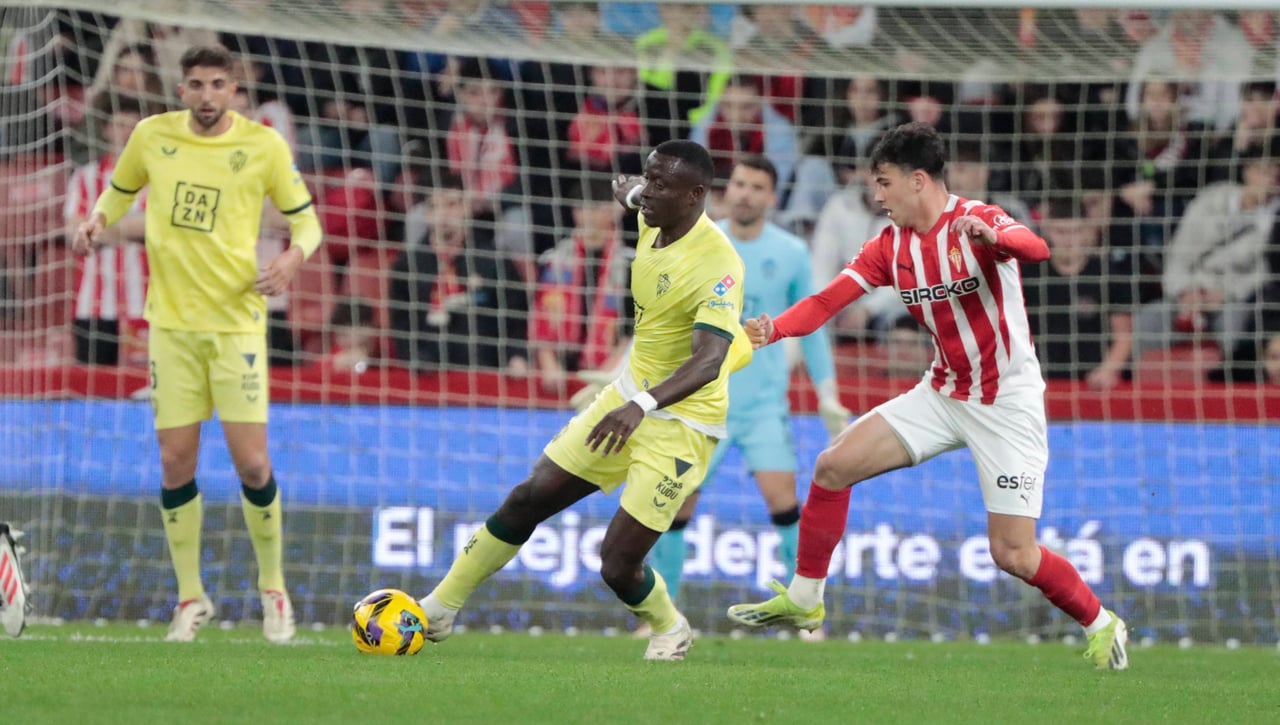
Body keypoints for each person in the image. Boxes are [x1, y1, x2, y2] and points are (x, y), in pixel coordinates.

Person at [726, 122, 1130, 671]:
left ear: (919, 180)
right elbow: (826, 301)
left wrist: (997, 240)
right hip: (942, 392)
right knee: (831, 466)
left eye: (885, 182)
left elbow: (1035, 247)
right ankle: (804, 597)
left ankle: (1102, 622)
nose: (877, 195)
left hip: (1006, 403)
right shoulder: (888, 247)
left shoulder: (978, 218)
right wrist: (774, 329)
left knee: (1013, 553)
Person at [416, 139, 752, 661]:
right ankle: (438, 608)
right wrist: (632, 189)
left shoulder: (717, 264)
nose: (649, 192)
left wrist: (641, 404)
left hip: (679, 422)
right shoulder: (653, 213)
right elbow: (633, 193)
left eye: (661, 184)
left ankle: (670, 626)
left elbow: (709, 362)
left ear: (696, 195)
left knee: (617, 564)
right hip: (624, 397)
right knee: (529, 497)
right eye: (649, 177)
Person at [71, 45, 323, 643]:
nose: (207, 95)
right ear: (180, 90)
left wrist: (291, 255)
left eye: (218, 84)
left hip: (235, 327)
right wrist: (98, 220)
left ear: (235, 91)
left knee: (252, 462)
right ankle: (190, 598)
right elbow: (118, 191)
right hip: (171, 328)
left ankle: (273, 589)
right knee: (175, 460)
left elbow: (307, 219)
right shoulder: (151, 136)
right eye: (196, 84)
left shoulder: (263, 146)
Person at [647, 155, 848, 615]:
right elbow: (663, 316)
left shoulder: (792, 252)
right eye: (739, 184)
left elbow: (812, 326)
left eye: (757, 187)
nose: (745, 194)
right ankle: (661, 613)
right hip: (700, 402)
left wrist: (827, 392)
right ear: (725, 189)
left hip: (761, 408)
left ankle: (806, 608)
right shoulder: (699, 240)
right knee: (676, 509)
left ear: (772, 198)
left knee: (785, 503)